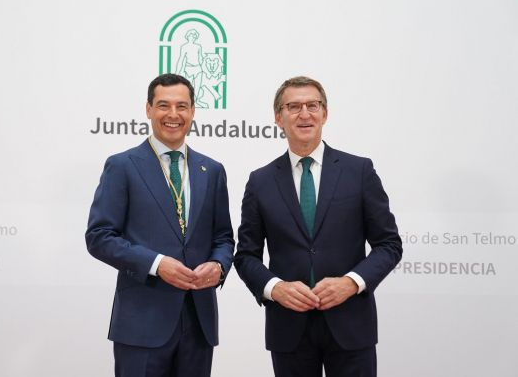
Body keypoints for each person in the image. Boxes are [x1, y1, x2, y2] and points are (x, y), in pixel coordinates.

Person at [233, 76, 402, 377]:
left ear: (325, 113)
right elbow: (245, 255)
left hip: (351, 325)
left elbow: (389, 245)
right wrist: (275, 288)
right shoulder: (260, 182)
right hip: (288, 329)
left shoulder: (359, 171)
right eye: (294, 106)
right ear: (278, 118)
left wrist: (351, 282)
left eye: (313, 105)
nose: (305, 114)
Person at [86, 73, 234, 377]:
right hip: (142, 322)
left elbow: (223, 238)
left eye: (182, 106)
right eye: (164, 105)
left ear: (193, 112)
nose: (173, 115)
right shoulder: (123, 166)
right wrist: (156, 263)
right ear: (149, 109)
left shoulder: (212, 170)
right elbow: (99, 236)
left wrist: (218, 266)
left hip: (198, 322)